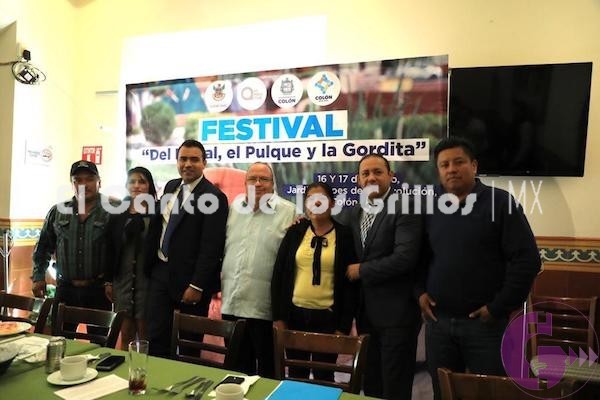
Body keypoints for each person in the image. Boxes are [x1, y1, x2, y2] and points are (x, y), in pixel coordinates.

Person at [417, 137, 541, 400]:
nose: (451, 169)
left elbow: (527, 260)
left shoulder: (501, 203)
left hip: (485, 327)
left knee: (489, 394)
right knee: (442, 393)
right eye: (444, 165)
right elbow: (420, 257)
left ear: (474, 165)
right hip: (438, 325)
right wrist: (419, 292)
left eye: (458, 162)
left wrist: (498, 308)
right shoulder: (428, 206)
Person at [338, 154, 423, 400]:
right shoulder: (355, 212)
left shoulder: (405, 206)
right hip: (365, 317)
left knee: (395, 387)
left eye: (377, 172)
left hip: (397, 316)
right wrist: (302, 222)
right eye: (365, 173)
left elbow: (405, 258)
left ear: (391, 176)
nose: (371, 178)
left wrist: (362, 270)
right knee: (372, 384)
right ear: (358, 180)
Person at [144, 139, 229, 357]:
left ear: (204, 163)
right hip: (161, 273)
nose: (187, 164)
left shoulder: (214, 197)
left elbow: (212, 247)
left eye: (194, 159)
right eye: (183, 159)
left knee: (189, 345)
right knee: (156, 338)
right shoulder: (171, 187)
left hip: (191, 281)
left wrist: (197, 285)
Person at [272, 182, 358, 382]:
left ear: (332, 203)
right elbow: (279, 275)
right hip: (295, 317)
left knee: (323, 375)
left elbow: (351, 286)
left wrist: (343, 327)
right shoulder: (295, 231)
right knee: (296, 374)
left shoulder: (345, 236)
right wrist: (279, 317)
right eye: (311, 199)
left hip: (328, 319)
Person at [220, 162, 296, 378]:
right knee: (236, 374)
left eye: (264, 179)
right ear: (245, 183)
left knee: (267, 375)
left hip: (265, 309)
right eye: (252, 179)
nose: (258, 183)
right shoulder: (234, 208)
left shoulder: (289, 211)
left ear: (273, 184)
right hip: (232, 304)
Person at [32, 160, 115, 336]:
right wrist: (38, 277)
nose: (84, 184)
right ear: (72, 184)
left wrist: (113, 282)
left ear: (99, 182)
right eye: (78, 180)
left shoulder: (112, 210)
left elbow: (120, 251)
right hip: (66, 289)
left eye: (89, 179)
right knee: (59, 340)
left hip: (99, 290)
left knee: (100, 343)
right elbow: (43, 246)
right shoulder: (58, 211)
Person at [104, 167, 157, 350]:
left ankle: (145, 366)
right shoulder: (117, 213)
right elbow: (110, 248)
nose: (136, 185)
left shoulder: (157, 213)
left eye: (142, 181)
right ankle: (126, 367)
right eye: (132, 181)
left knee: (146, 335)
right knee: (125, 333)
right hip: (123, 281)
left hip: (148, 282)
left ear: (149, 186)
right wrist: (108, 281)